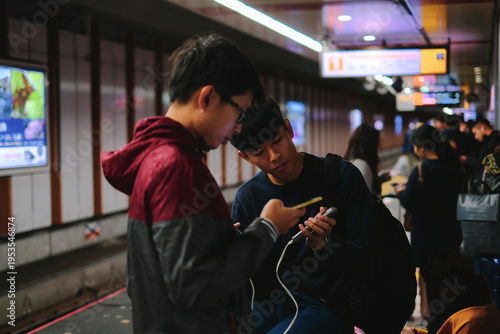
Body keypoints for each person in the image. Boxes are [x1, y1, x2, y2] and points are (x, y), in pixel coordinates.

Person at [100, 33, 307, 334]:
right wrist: (267, 228)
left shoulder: (155, 158)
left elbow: (153, 276)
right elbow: (191, 286)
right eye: (238, 111)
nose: (237, 127)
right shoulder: (175, 167)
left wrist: (218, 240)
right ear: (207, 97)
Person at [230, 97, 381, 334]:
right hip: (267, 307)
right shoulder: (247, 198)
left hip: (326, 304)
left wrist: (326, 245)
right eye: (259, 152)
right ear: (245, 157)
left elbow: (370, 261)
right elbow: (248, 280)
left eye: (277, 141)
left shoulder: (339, 177)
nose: (274, 156)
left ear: (289, 129)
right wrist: (233, 248)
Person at [396, 124, 464, 332]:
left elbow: (411, 202)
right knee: (449, 278)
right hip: (453, 234)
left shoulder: (421, 170)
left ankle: (435, 322)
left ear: (423, 148)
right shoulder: (456, 169)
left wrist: (401, 192)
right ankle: (452, 319)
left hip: (427, 237)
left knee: (431, 279)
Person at [344, 123, 385, 196]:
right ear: (370, 146)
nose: (379, 148)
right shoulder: (362, 166)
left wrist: (381, 178)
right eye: (376, 145)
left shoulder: (352, 162)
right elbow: (363, 200)